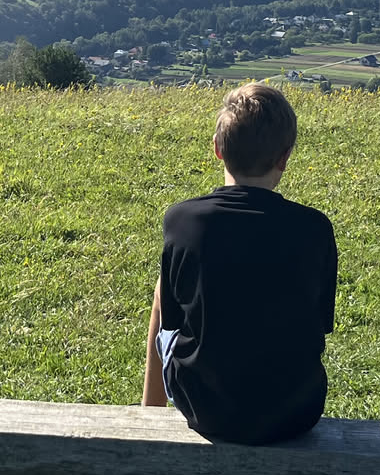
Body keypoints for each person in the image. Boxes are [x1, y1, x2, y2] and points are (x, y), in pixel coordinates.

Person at [140, 82, 338, 443]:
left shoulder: (183, 221)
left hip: (205, 408)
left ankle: (149, 412)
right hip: (296, 412)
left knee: (162, 289)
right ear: (284, 157)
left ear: (217, 149)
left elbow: (173, 320)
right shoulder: (315, 228)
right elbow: (319, 323)